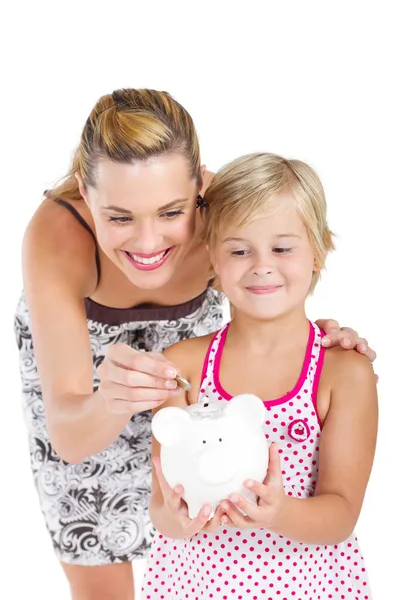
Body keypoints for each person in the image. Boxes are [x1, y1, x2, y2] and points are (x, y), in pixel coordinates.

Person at [14, 89, 376, 600]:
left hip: (191, 374)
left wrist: (321, 345)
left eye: (171, 212)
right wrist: (112, 397)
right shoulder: (57, 235)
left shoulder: (227, 214)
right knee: (98, 568)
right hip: (80, 387)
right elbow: (70, 440)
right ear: (84, 191)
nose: (146, 243)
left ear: (199, 189)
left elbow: (270, 287)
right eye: (119, 217)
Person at [144, 152, 377, 599]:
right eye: (239, 249)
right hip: (196, 587)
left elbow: (342, 513)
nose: (261, 265)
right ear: (213, 256)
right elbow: (159, 506)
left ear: (318, 250)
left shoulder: (343, 372)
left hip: (304, 588)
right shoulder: (184, 367)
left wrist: (277, 512)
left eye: (283, 247)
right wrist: (178, 519)